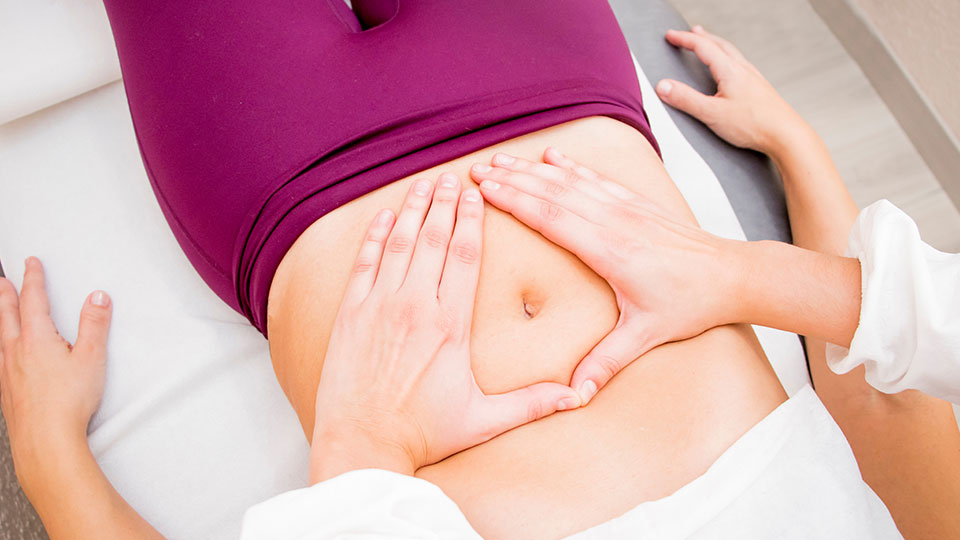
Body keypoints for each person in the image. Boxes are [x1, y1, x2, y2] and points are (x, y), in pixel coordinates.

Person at [1, 11, 958, 539]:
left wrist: (52, 463)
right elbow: (884, 414)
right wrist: (784, 178)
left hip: (302, 180)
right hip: (557, 91)